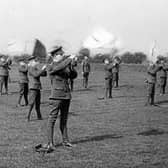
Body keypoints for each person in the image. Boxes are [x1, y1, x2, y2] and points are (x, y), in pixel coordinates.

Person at [44, 46, 77, 150]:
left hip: (66, 95)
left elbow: (73, 76)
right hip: (56, 96)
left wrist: (72, 66)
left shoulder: (64, 66)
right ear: (54, 56)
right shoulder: (50, 66)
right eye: (60, 54)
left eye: (63, 54)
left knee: (64, 119)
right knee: (52, 120)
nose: (63, 55)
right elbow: (57, 68)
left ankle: (65, 141)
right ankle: (50, 142)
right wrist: (69, 59)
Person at [27, 57, 47, 121]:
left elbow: (44, 74)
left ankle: (39, 116)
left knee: (38, 103)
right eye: (35, 61)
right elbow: (36, 75)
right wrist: (42, 69)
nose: (36, 62)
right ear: (31, 62)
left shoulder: (35, 68)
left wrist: (44, 69)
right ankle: (28, 117)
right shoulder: (30, 68)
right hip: (33, 87)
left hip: (37, 87)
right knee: (31, 103)